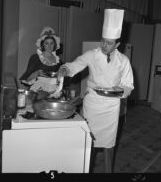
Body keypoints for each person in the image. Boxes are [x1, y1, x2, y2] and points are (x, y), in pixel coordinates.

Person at [57, 9, 134, 173]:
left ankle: (108, 171)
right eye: (103, 41)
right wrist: (65, 69)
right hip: (92, 104)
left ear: (117, 44)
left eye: (109, 43)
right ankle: (86, 169)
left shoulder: (123, 61)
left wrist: (120, 90)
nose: (104, 45)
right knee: (88, 141)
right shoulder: (92, 54)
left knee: (108, 144)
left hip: (111, 106)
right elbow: (76, 64)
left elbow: (128, 84)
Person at [20, 27, 63, 98]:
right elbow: (27, 78)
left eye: (51, 43)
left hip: (53, 89)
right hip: (39, 89)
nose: (49, 46)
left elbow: (60, 78)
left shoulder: (58, 60)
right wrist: (36, 73)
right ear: (43, 44)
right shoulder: (35, 58)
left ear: (55, 45)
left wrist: (59, 75)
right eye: (47, 43)